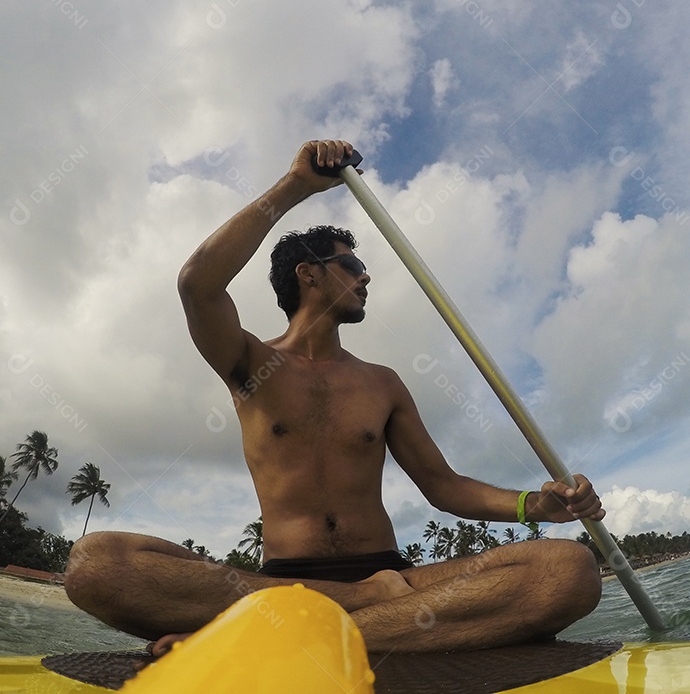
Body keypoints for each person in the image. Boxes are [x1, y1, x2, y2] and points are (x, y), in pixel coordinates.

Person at [65, 140, 604, 654]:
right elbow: (197, 284)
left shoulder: (383, 382)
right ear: (308, 274)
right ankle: (360, 615)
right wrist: (296, 185)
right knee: (97, 563)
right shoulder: (251, 363)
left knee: (568, 571)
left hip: (391, 575)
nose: (366, 276)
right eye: (350, 265)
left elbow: (443, 487)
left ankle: (293, 633)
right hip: (287, 586)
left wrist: (533, 505)